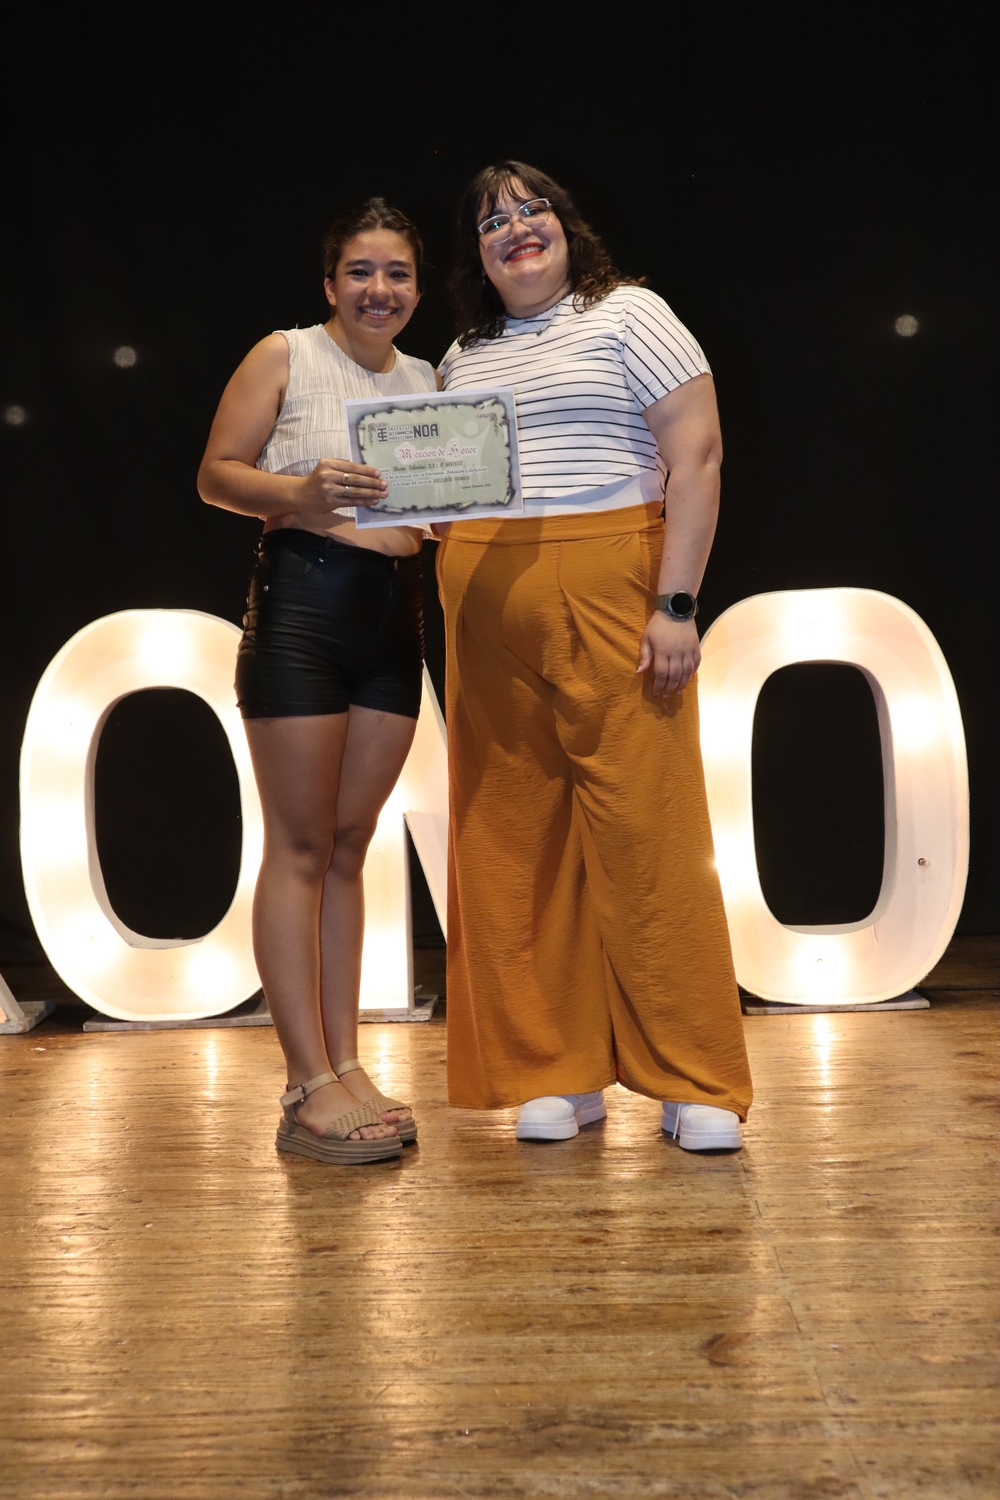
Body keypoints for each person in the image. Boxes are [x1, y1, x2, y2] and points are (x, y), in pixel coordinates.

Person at [436, 162, 753, 1150]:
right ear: (477, 254)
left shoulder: (630, 315)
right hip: (483, 594)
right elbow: (441, 488)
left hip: (612, 578)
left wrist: (675, 603)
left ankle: (692, 1077)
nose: (517, 228)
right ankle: (553, 1069)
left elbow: (696, 455)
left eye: (533, 209)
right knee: (512, 838)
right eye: (493, 221)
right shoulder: (460, 356)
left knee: (648, 833)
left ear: (568, 227)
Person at [198, 199, 437, 1164]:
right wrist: (297, 493)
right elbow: (216, 474)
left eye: (398, 273)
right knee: (300, 846)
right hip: (303, 605)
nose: (380, 289)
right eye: (361, 271)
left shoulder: (428, 378)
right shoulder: (285, 354)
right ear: (330, 283)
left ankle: (346, 1062)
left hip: (395, 617)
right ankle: (304, 1083)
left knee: (349, 846)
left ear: (417, 288)